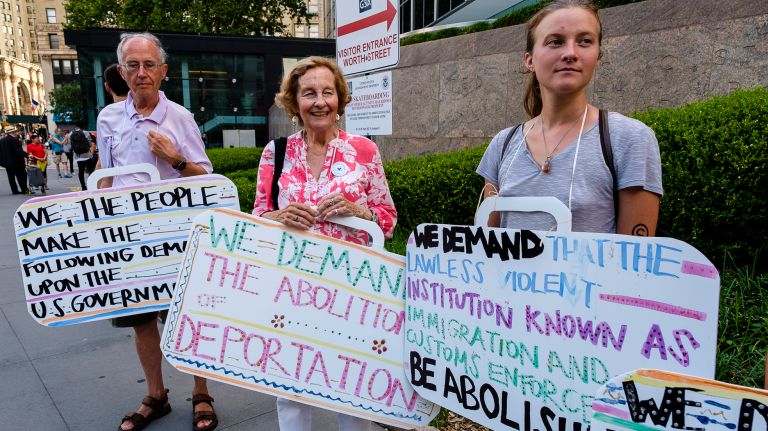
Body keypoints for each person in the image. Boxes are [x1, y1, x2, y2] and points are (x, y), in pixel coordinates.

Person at [252, 56, 397, 431]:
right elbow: (257, 216)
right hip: (289, 287)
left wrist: (358, 211)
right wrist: (278, 216)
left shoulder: (363, 150)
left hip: (351, 287)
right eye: (309, 93)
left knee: (351, 381)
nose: (319, 102)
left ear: (340, 99)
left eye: (327, 92)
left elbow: (389, 218)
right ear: (294, 102)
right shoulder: (276, 152)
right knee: (289, 383)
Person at [96, 32, 217, 431]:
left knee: (186, 316)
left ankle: (201, 393)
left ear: (163, 72)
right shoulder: (108, 117)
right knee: (140, 319)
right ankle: (156, 395)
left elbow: (207, 180)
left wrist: (176, 158)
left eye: (149, 65)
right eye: (133, 65)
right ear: (121, 71)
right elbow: (106, 176)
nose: (141, 72)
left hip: (174, 237)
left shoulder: (180, 118)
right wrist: (94, 213)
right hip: (126, 239)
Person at [477, 0, 662, 235]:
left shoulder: (630, 139)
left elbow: (634, 259)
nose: (570, 53)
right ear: (529, 60)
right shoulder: (502, 145)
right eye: (555, 41)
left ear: (597, 56)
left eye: (585, 41)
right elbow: (485, 246)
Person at [0, 126, 28, 194]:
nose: (17, 132)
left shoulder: (2, 140)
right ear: (12, 132)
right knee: (21, 176)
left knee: (11, 177)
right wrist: (27, 155)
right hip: (17, 162)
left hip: (7, 163)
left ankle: (14, 190)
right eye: (16, 131)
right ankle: (24, 190)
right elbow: (18, 151)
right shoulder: (14, 139)